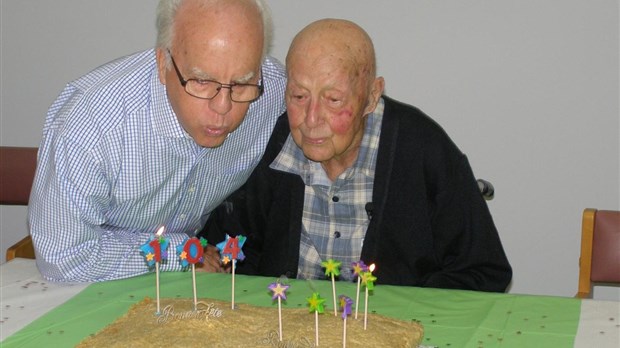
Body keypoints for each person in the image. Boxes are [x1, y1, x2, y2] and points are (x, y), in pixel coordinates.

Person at [201, 18, 512, 292]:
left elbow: (483, 271)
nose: (311, 119)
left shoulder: (421, 148)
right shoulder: (268, 143)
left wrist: (404, 311)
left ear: (371, 97)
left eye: (333, 99)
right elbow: (228, 250)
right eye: (298, 96)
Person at [28, 0, 286, 282]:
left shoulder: (272, 94)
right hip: (98, 275)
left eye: (240, 83)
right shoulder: (91, 125)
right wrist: (182, 255)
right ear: (163, 63)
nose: (223, 107)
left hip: (199, 280)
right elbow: (64, 257)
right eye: (201, 81)